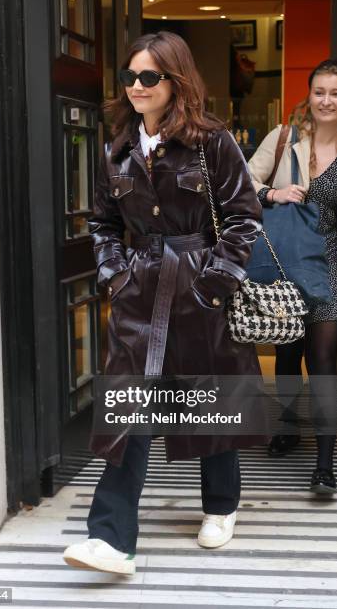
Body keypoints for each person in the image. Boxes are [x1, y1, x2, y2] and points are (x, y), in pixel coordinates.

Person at [63, 31, 264, 575]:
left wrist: (212, 286)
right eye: (129, 76)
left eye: (148, 76)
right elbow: (103, 223)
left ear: (175, 81)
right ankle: (110, 538)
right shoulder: (118, 148)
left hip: (199, 284)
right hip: (140, 289)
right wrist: (115, 275)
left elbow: (244, 217)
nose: (135, 86)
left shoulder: (212, 141)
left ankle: (221, 505)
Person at [248, 58, 337, 493]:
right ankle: (287, 428)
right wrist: (274, 192)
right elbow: (241, 181)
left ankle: (324, 465)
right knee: (287, 354)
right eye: (320, 91)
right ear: (309, 95)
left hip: (331, 269)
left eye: (336, 93)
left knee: (322, 362)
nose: (327, 100)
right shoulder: (284, 138)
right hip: (287, 266)